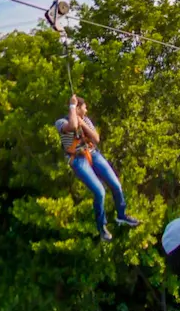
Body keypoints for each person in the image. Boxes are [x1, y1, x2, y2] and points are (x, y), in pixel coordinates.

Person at [56, 95, 140, 241]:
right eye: (84, 107)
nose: (86, 110)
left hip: (92, 153)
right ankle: (102, 228)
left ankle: (121, 214)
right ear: (77, 109)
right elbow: (73, 126)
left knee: (116, 185)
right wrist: (72, 107)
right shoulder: (60, 122)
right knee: (100, 191)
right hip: (77, 159)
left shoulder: (86, 120)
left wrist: (83, 123)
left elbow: (96, 138)